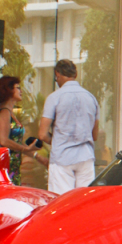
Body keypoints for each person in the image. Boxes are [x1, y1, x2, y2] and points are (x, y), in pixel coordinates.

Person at [39, 59, 100, 194]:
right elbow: (94, 135)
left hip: (62, 157)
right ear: (75, 75)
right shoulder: (91, 98)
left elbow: (42, 134)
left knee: (62, 203)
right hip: (86, 157)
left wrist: (56, 140)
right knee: (84, 203)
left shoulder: (54, 97)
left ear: (57, 74)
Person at [0, 76, 47, 185]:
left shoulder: (9, 112)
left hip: (13, 165)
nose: (21, 91)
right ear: (8, 90)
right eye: (18, 88)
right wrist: (25, 148)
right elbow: (3, 140)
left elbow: (15, 142)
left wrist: (37, 156)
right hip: (7, 166)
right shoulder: (4, 113)